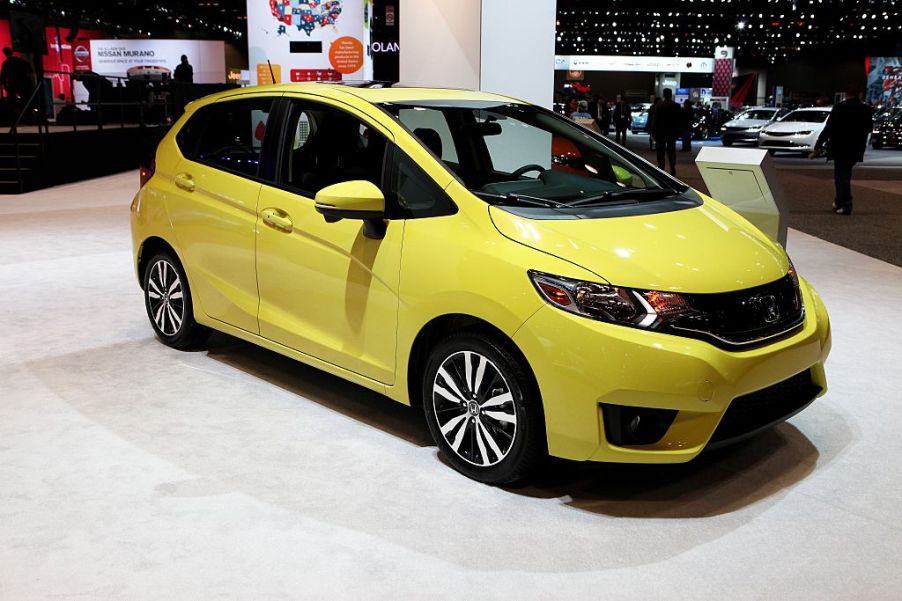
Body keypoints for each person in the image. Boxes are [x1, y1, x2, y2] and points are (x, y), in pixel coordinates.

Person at [813, 85, 873, 215]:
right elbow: (869, 128)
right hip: (855, 147)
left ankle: (845, 203)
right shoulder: (866, 109)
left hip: (840, 146)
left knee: (841, 176)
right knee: (845, 174)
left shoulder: (839, 108)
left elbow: (829, 128)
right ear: (859, 95)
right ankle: (839, 200)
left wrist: (818, 146)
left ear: (846, 94)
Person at [650, 88, 681, 176]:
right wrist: (678, 132)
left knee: (660, 150)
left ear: (663, 95)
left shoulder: (659, 105)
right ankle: (672, 165)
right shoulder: (676, 106)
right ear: (671, 95)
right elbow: (679, 120)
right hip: (672, 132)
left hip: (661, 132)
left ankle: (661, 167)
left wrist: (653, 131)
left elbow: (655, 119)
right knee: (671, 150)